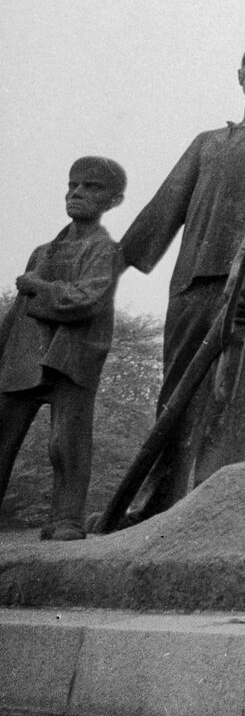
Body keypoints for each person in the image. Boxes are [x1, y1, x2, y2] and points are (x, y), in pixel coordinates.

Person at [120, 42, 245, 516]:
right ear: (238, 75)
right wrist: (116, 264)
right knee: (173, 393)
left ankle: (211, 501)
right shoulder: (208, 142)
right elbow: (163, 208)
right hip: (190, 280)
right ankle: (158, 500)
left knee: (228, 391)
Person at [0, 157, 126, 540]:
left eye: (91, 187)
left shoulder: (105, 249)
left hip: (72, 357)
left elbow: (89, 299)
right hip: (24, 357)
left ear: (114, 201)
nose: (77, 192)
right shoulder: (42, 252)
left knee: (67, 444)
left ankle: (66, 517)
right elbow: (17, 312)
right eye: (73, 185)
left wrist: (40, 288)